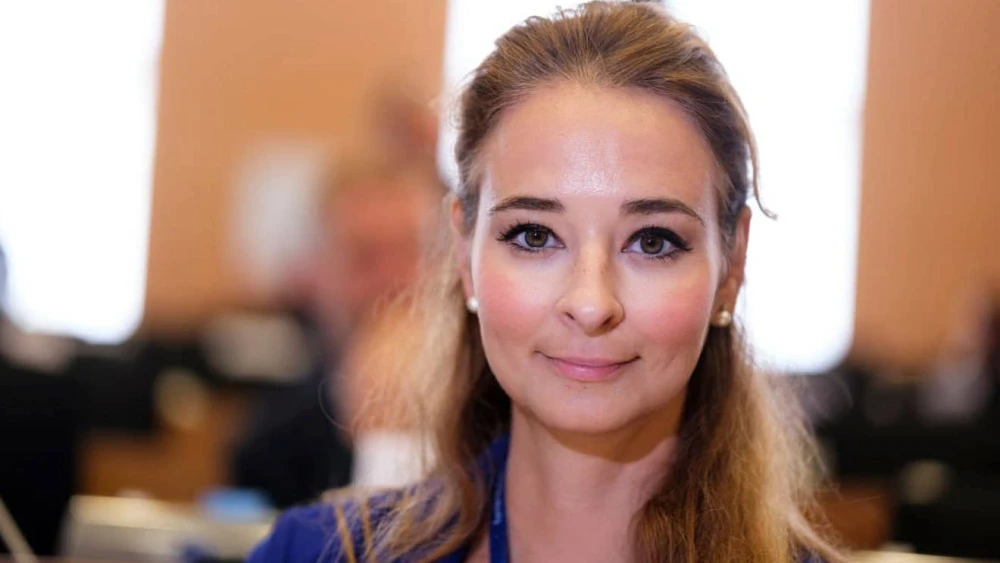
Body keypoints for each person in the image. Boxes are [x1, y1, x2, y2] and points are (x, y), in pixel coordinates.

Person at [249, 2, 846, 561]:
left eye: (653, 241)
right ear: (464, 251)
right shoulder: (316, 553)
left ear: (731, 265)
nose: (590, 304)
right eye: (535, 236)